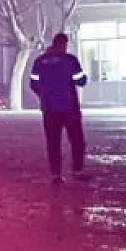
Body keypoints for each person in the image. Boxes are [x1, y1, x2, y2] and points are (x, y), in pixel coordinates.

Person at [28, 32, 88, 184]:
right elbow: (81, 81)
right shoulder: (70, 60)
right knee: (76, 140)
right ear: (63, 44)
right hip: (69, 107)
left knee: (53, 141)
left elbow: (33, 84)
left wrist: (44, 95)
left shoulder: (40, 61)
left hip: (49, 108)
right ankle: (77, 170)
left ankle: (56, 174)